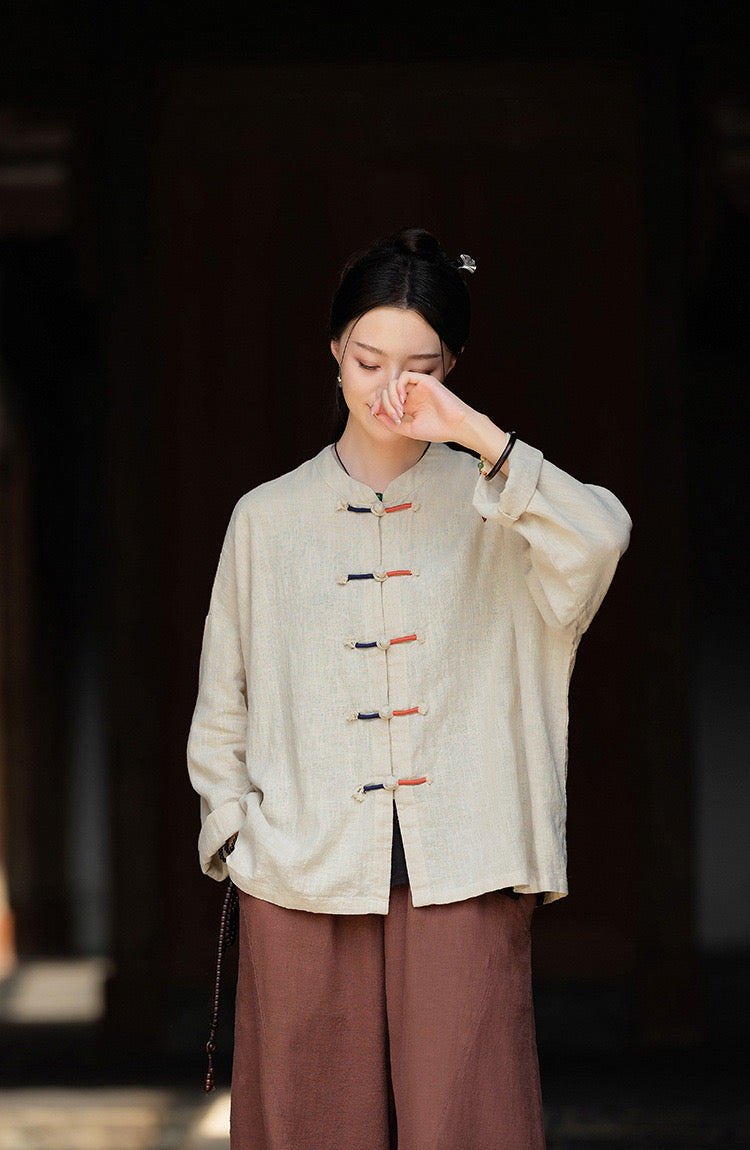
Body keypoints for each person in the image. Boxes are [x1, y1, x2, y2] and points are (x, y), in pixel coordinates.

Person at [187, 227, 632, 1150]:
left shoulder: (504, 506)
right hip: (299, 873)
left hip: (466, 866)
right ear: (333, 351)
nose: (389, 387)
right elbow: (221, 706)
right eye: (367, 360)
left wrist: (475, 434)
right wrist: (236, 838)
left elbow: (600, 539)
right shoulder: (265, 518)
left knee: (474, 1126)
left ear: (452, 369)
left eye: (421, 368)